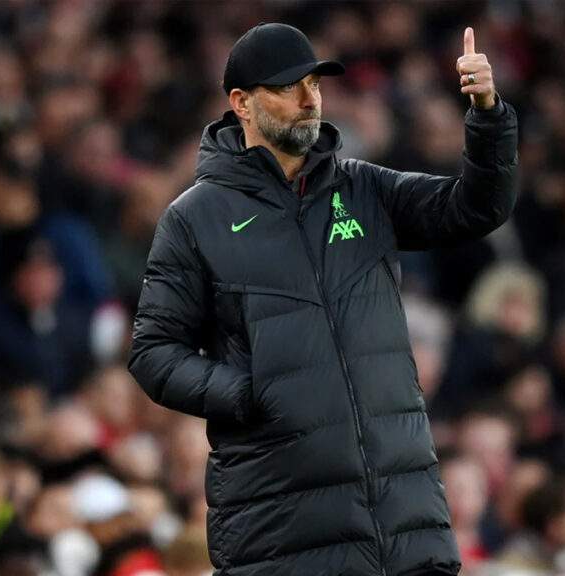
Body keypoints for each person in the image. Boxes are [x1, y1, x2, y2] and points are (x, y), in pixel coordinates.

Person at [128, 22, 518, 576]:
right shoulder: (195, 219)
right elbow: (153, 353)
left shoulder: (365, 188)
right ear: (241, 103)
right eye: (289, 87)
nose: (310, 99)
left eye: (315, 84)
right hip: (282, 526)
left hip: (403, 520)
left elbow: (477, 208)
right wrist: (251, 394)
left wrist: (487, 114)